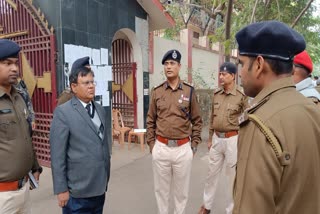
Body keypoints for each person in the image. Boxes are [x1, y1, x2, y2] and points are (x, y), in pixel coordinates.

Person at [233, 20, 320, 214]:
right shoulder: (313, 110)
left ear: (259, 65)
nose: (239, 73)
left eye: (241, 63)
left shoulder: (259, 123)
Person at [146, 49, 202, 214]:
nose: (168, 67)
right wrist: (152, 145)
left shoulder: (189, 91)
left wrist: (194, 146)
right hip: (161, 148)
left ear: (179, 66)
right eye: (166, 64)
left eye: (172, 63)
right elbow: (150, 120)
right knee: (161, 192)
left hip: (183, 149)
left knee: (181, 193)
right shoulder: (157, 92)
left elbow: (197, 120)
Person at [50, 66, 111, 213]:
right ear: (74, 87)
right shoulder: (64, 112)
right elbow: (57, 156)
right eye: (86, 83)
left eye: (92, 82)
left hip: (99, 188)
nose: (91, 86)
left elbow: (102, 143)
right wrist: (61, 189)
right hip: (76, 193)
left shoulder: (100, 109)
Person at [198, 62, 248, 214]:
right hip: (217, 139)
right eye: (220, 74)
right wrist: (210, 138)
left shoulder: (241, 96)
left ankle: (231, 210)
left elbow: (247, 118)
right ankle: (206, 206)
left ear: (233, 76)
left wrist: (243, 140)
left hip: (233, 140)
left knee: (231, 177)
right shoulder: (216, 94)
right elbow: (212, 116)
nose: (221, 77)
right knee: (211, 174)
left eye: (224, 74)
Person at [0, 39, 42, 213]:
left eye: (16, 63)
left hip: (24, 190)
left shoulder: (19, 97)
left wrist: (35, 166)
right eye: (7, 63)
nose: (15, 69)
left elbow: (26, 136)